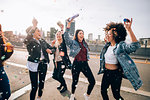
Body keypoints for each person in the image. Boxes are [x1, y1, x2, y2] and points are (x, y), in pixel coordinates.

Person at [98, 18, 143, 100]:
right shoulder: (107, 46)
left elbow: (134, 46)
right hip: (106, 72)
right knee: (103, 91)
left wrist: (129, 30)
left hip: (115, 74)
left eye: (109, 34)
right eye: (106, 34)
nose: (106, 36)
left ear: (115, 34)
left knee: (116, 95)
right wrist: (108, 39)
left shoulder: (120, 46)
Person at [64, 19, 95, 100]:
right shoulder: (73, 42)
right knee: (75, 81)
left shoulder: (84, 43)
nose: (82, 35)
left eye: (83, 33)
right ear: (77, 35)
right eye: (80, 33)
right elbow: (66, 37)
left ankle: (87, 95)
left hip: (85, 64)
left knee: (92, 81)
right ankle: (72, 95)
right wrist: (68, 26)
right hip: (76, 64)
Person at [24, 18, 54, 100]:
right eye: (37, 31)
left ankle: (39, 97)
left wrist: (50, 51)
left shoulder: (43, 41)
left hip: (43, 64)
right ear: (32, 33)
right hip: (34, 65)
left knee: (41, 84)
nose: (39, 32)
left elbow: (52, 48)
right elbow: (26, 39)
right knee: (34, 87)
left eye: (39, 31)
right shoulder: (29, 41)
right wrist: (34, 27)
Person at [51, 22, 71, 93]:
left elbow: (64, 34)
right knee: (54, 76)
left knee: (59, 76)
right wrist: (51, 46)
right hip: (56, 62)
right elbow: (52, 52)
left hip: (62, 62)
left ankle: (64, 86)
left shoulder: (63, 42)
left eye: (59, 34)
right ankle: (62, 83)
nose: (58, 35)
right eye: (57, 34)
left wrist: (62, 28)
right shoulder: (56, 43)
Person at [0, 24, 14, 100]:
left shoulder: (1, 39)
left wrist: (9, 51)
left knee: (6, 93)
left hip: (0, 69)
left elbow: (3, 57)